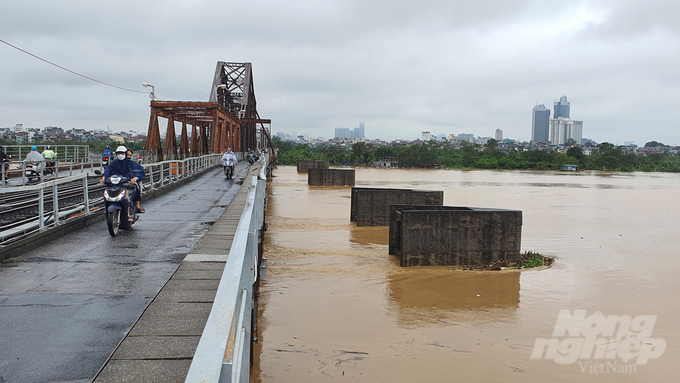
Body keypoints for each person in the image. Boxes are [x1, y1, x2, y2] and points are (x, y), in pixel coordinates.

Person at [101, 146, 144, 220]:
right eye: (118, 153)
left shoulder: (130, 163)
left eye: (122, 153)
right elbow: (108, 170)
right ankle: (106, 207)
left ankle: (128, 214)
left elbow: (139, 170)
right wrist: (104, 177)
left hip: (126, 183)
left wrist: (135, 178)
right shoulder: (114, 162)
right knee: (106, 192)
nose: (120, 155)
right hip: (115, 183)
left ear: (125, 153)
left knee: (128, 195)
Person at [126, 148, 146, 213]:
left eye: (130, 155)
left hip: (129, 182)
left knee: (136, 188)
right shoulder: (115, 163)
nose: (128, 156)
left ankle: (137, 207)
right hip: (118, 182)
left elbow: (141, 171)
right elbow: (109, 170)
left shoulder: (133, 164)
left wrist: (136, 177)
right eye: (127, 155)